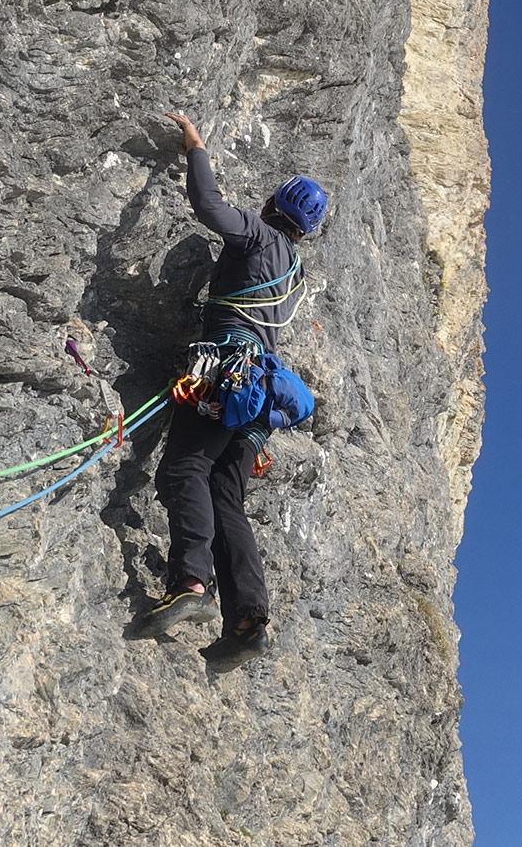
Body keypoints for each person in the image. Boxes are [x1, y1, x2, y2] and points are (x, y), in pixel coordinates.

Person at [138, 110, 327, 662]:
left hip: (226, 376)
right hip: (259, 396)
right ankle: (246, 618)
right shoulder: (293, 271)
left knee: (183, 468)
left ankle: (192, 585)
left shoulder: (260, 237)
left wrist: (196, 148)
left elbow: (210, 208)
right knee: (226, 493)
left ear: (273, 207)